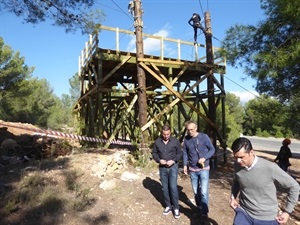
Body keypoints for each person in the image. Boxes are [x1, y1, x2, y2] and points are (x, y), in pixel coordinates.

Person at [230, 137, 299, 225]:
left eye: (241, 157)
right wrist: (233, 197)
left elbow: (294, 186)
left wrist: (287, 211)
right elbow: (236, 181)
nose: (238, 161)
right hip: (244, 212)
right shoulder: (237, 165)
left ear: (251, 152)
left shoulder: (270, 168)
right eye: (235, 157)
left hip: (266, 218)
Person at [182, 121, 215, 221]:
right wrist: (184, 165)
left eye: (192, 129)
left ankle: (204, 213)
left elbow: (212, 150)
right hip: (192, 169)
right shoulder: (186, 139)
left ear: (196, 128)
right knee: (196, 192)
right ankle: (199, 208)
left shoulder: (204, 137)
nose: (190, 132)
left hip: (204, 169)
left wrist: (204, 158)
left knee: (204, 191)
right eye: (188, 130)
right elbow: (185, 153)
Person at [152, 125, 182, 219]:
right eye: (164, 134)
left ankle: (176, 207)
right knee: (165, 188)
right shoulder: (157, 142)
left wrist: (173, 160)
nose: (166, 136)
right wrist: (158, 160)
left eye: (168, 134)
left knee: (173, 187)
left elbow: (180, 153)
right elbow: (154, 153)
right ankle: (168, 206)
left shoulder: (175, 141)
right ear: (161, 133)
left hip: (173, 167)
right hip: (162, 168)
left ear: (170, 133)